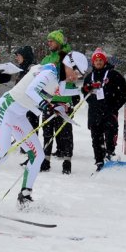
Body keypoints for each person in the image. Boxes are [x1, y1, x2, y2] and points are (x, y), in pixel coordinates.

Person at [0, 51, 89, 208]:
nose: (76, 77)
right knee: (2, 153)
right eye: (76, 73)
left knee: (38, 155)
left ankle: (25, 196)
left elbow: (61, 91)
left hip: (18, 115)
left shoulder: (58, 76)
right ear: (69, 65)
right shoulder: (49, 73)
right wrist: (46, 105)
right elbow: (31, 91)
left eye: (80, 76)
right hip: (6, 109)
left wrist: (84, 91)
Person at [81, 48, 126, 170]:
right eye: (96, 60)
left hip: (109, 111)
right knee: (96, 139)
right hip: (94, 112)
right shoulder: (89, 76)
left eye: (101, 59)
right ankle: (99, 162)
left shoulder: (113, 74)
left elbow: (123, 91)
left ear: (105, 61)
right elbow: (84, 93)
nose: (99, 62)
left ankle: (110, 155)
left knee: (110, 135)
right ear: (93, 62)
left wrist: (115, 105)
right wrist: (89, 90)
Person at [39, 30, 75, 174]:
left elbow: (74, 76)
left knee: (66, 133)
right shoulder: (47, 59)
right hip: (48, 100)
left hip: (64, 100)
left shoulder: (69, 57)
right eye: (48, 41)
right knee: (47, 132)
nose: (49, 43)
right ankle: (46, 160)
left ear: (59, 42)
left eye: (52, 41)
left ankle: (67, 161)